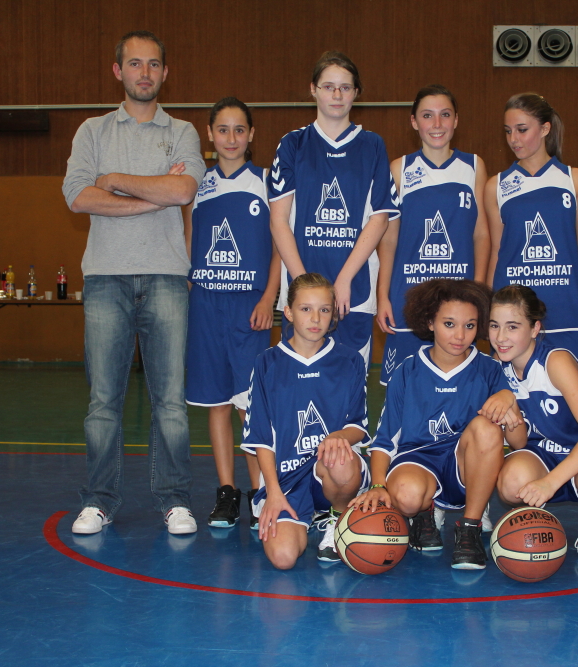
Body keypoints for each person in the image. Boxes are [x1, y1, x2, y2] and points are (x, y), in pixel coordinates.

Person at [62, 31, 205, 535]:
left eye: (153, 65)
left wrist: (117, 179)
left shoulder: (184, 131)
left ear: (165, 73)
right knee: (104, 401)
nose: (144, 73)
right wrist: (153, 198)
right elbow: (78, 196)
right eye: (134, 64)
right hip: (105, 279)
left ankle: (174, 500)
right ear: (117, 70)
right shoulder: (91, 131)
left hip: (167, 276)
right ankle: (99, 499)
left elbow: (185, 188)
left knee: (170, 399)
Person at [351, 279, 522, 570]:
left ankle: (469, 526)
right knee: (405, 496)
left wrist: (510, 399)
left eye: (470, 326)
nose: (460, 335)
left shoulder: (491, 370)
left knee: (485, 428)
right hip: (418, 460)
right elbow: (384, 440)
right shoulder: (407, 370)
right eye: (449, 324)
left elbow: (518, 443)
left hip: (464, 464)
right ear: (430, 322)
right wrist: (378, 484)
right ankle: (425, 511)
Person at [267, 51, 398, 367]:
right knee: (300, 389)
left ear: (356, 93)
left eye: (345, 87)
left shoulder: (372, 145)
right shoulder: (292, 144)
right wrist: (304, 288)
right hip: (302, 287)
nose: (337, 94)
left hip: (354, 290)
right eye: (328, 86)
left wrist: (343, 281)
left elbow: (379, 218)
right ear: (313, 89)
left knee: (349, 389)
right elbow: (279, 221)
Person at [184, 97, 280, 529]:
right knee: (217, 401)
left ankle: (261, 489)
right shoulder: (195, 186)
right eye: (222, 129)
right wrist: (189, 281)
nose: (231, 138)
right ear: (209, 133)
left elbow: (280, 245)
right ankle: (227, 490)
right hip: (206, 305)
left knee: (249, 404)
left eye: (239, 129)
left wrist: (270, 298)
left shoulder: (266, 181)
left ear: (252, 135)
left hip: (250, 307)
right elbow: (188, 237)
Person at [489, 285, 578, 560]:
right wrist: (510, 412)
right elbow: (518, 442)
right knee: (510, 484)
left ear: (534, 328)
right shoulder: (498, 366)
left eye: (513, 327)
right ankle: (537, 522)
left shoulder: (556, 361)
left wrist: (550, 483)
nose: (501, 337)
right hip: (542, 453)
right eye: (494, 326)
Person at [242, 273, 370, 569]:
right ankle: (303, 515)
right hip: (286, 479)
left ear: (333, 313)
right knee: (284, 558)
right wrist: (273, 493)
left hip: (336, 469)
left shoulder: (349, 360)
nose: (316, 318)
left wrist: (338, 436)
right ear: (287, 312)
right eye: (305, 309)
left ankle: (336, 519)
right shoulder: (267, 363)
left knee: (337, 457)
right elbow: (260, 437)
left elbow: (358, 426)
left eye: (324, 310)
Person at [377, 84, 490, 384]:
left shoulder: (474, 166)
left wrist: (477, 288)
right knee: (404, 388)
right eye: (428, 116)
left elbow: (481, 234)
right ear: (414, 122)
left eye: (445, 115)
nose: (437, 124)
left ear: (456, 120)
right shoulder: (399, 169)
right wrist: (383, 295)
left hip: (459, 297)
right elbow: (388, 239)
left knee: (460, 387)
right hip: (409, 293)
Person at [485, 93, 578, 372]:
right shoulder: (496, 186)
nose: (514, 138)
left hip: (566, 304)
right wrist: (489, 308)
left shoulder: (575, 179)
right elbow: (497, 251)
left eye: (522, 129)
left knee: (571, 396)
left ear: (545, 128)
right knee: (510, 403)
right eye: (508, 131)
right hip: (513, 309)